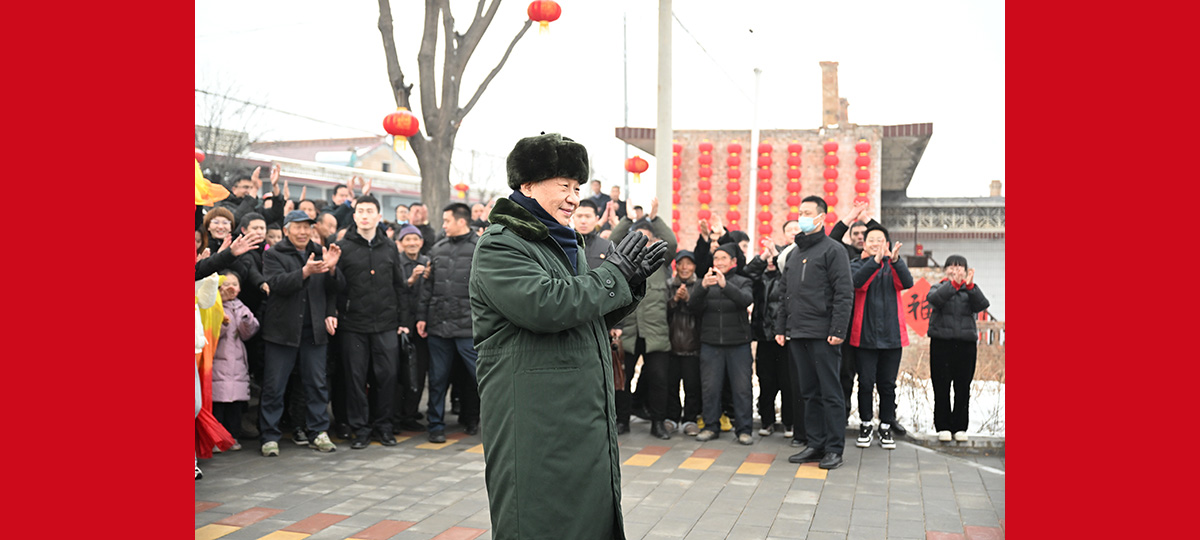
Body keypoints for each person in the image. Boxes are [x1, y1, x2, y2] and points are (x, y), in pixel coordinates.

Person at [469, 132, 665, 540]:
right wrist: (614, 275)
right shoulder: (501, 244)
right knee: (539, 518)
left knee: (586, 520)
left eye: (577, 188)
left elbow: (583, 312)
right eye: (564, 186)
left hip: (578, 412)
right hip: (536, 417)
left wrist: (631, 281)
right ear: (527, 185)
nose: (574, 198)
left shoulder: (565, 243)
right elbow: (546, 306)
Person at [775, 196, 853, 470]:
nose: (802, 217)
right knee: (808, 392)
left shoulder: (833, 250)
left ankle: (834, 448)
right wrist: (782, 328)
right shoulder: (795, 253)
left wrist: (838, 329)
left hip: (824, 333)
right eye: (800, 212)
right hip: (798, 333)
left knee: (830, 392)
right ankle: (815, 443)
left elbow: (844, 294)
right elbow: (785, 294)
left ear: (821, 217)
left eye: (807, 213)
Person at [259, 210, 343, 456]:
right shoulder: (274, 254)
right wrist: (304, 272)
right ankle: (269, 436)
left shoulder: (320, 251)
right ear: (286, 230)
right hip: (282, 331)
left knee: (316, 384)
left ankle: (318, 431)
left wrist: (333, 270)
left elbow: (334, 290)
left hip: (314, 330)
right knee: (275, 386)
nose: (303, 232)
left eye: (307, 227)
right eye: (298, 227)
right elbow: (276, 285)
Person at [333, 195, 406, 449]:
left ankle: (384, 427)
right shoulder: (342, 246)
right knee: (355, 378)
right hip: (353, 324)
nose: (364, 215)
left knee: (387, 377)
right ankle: (360, 429)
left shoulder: (389, 247)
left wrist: (403, 319)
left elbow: (400, 285)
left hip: (385, 322)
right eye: (360, 211)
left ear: (378, 216)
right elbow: (335, 288)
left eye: (369, 211)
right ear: (354, 216)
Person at [610, 200, 678, 438]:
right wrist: (627, 219)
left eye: (647, 238)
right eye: (637, 238)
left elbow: (671, 242)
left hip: (656, 332)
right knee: (622, 379)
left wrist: (655, 219)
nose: (642, 243)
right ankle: (622, 421)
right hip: (627, 331)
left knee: (659, 379)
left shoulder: (661, 262)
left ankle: (658, 423)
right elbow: (614, 240)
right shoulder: (623, 263)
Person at [417, 202, 481, 442]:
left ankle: (480, 420)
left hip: (469, 327)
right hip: (439, 325)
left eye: (446, 221)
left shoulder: (479, 248)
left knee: (480, 378)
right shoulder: (438, 248)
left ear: (461, 221)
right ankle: (435, 426)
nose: (443, 226)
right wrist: (422, 317)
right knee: (437, 379)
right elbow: (428, 287)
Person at [849, 225, 913, 451]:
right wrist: (874, 261)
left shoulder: (892, 265)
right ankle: (866, 424)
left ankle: (885, 425)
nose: (876, 243)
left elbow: (907, 283)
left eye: (880, 239)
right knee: (865, 383)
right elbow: (857, 283)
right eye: (872, 239)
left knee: (887, 384)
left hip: (892, 336)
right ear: (864, 244)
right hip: (864, 336)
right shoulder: (857, 265)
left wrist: (895, 261)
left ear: (887, 243)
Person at [693, 243, 756, 445]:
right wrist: (702, 288)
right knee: (710, 387)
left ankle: (744, 430)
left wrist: (725, 285)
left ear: (733, 262)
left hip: (738, 343)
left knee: (742, 388)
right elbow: (692, 306)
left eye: (723, 258)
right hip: (711, 343)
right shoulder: (705, 282)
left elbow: (746, 300)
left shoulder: (742, 281)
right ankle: (711, 426)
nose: (719, 262)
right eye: (716, 258)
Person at [927, 255, 990, 443]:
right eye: (952, 267)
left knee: (962, 386)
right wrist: (953, 284)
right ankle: (943, 426)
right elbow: (935, 300)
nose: (956, 270)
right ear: (945, 270)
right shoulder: (938, 287)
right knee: (941, 385)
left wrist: (969, 286)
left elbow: (982, 305)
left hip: (965, 344)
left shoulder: (970, 290)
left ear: (966, 270)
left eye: (960, 267)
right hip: (941, 343)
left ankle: (960, 426)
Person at [744, 231, 794, 439]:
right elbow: (747, 272)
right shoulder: (759, 279)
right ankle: (767, 421)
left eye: (775, 258)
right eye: (769, 258)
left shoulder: (787, 277)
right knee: (765, 381)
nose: (771, 261)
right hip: (764, 337)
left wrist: (777, 255)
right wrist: (764, 257)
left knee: (788, 382)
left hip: (784, 337)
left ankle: (790, 422)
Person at [211, 270, 260, 451]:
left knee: (235, 406)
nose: (231, 288)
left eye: (235, 284)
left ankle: (233, 437)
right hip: (217, 361)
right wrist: (222, 323)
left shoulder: (241, 307)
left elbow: (249, 333)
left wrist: (246, 321)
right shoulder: (214, 306)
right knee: (218, 405)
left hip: (237, 362)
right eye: (227, 284)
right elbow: (214, 335)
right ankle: (217, 439)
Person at [392, 224, 430, 433]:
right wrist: (410, 280)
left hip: (422, 327)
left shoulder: (427, 262)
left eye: (415, 239)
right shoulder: (396, 263)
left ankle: (410, 413)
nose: (412, 243)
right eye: (407, 239)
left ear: (421, 242)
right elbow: (393, 292)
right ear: (400, 243)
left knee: (419, 372)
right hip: (401, 326)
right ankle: (396, 416)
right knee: (400, 373)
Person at [666, 250, 703, 436]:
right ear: (676, 266)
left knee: (692, 387)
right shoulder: (668, 285)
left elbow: (703, 313)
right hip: (671, 346)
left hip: (693, 347)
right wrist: (675, 300)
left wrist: (689, 300)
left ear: (694, 266)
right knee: (671, 385)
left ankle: (690, 419)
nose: (685, 268)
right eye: (681, 263)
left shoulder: (699, 286)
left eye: (689, 264)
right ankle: (672, 418)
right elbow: (661, 313)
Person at [573, 199, 613, 268]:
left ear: (596, 219)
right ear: (573, 218)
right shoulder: (564, 245)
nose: (583, 221)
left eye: (588, 216)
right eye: (579, 216)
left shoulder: (607, 246)